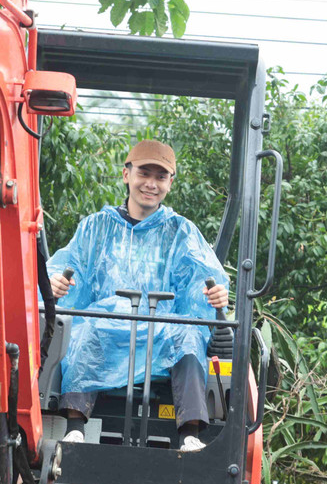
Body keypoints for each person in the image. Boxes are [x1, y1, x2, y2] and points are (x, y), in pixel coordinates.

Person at [46, 139, 229, 453]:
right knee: (87, 328)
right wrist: (57, 283)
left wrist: (214, 295)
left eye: (161, 177)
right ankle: (75, 427)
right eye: (144, 173)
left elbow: (201, 281)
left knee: (188, 335)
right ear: (126, 174)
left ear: (170, 183)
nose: (151, 184)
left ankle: (189, 434)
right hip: (108, 322)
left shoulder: (181, 231)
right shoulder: (96, 227)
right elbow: (70, 267)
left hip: (164, 327)